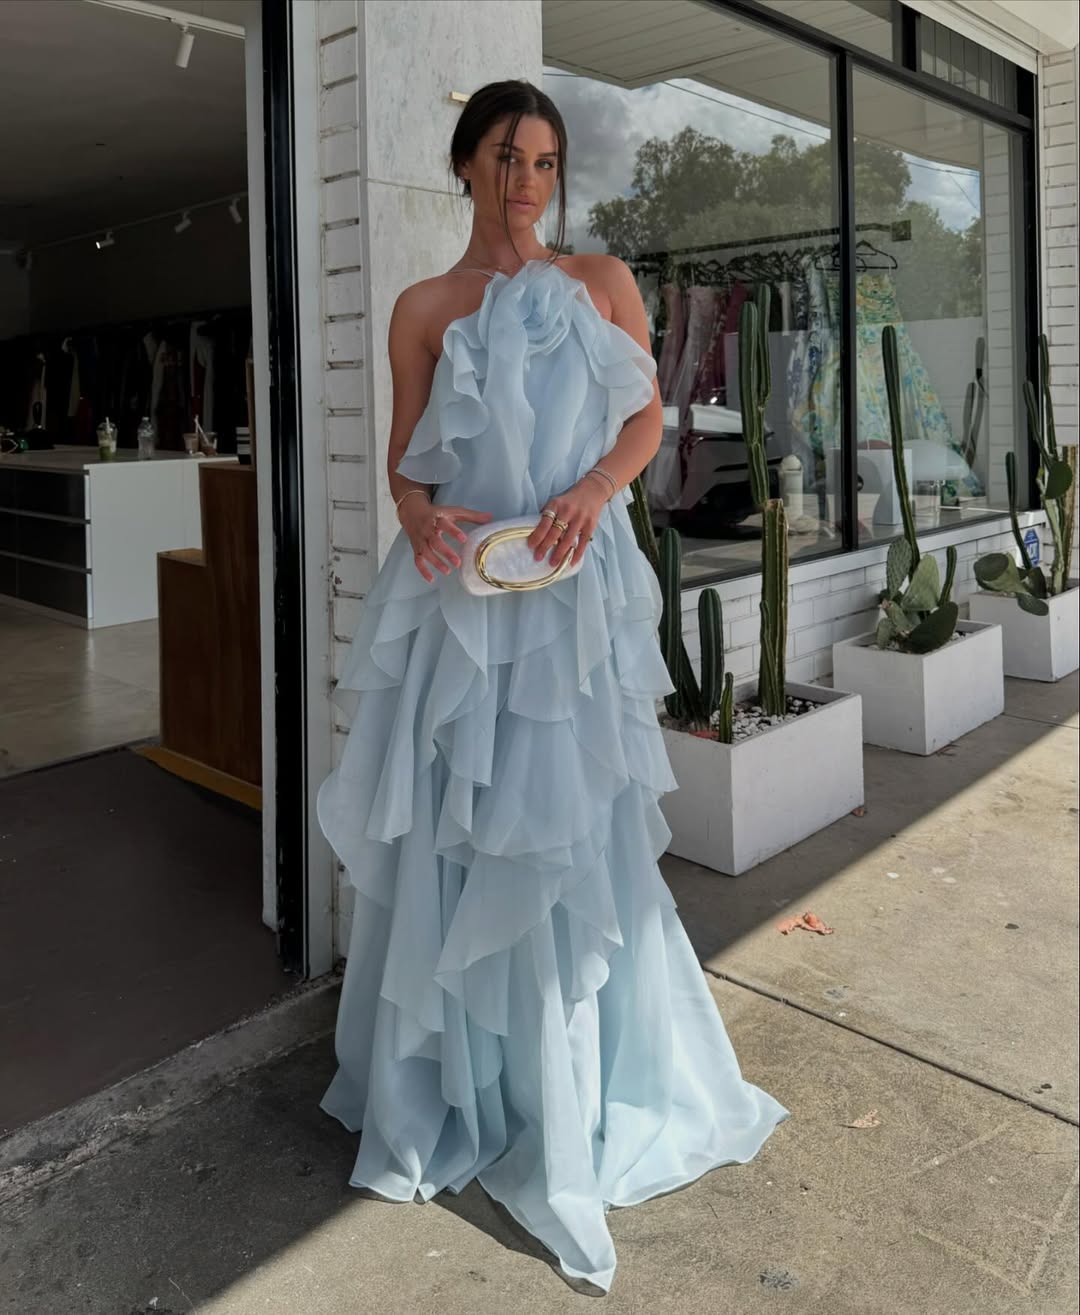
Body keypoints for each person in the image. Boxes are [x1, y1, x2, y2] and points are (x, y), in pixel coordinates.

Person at [317, 78, 789, 1294]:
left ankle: (574, 1084)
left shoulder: (602, 282)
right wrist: (417, 514)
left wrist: (590, 492)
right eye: (503, 157)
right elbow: (406, 461)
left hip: (571, 592)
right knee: (463, 827)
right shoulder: (424, 308)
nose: (526, 181)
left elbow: (646, 422)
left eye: (543, 162)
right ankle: (469, 1080)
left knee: (569, 828)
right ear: (463, 165)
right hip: (463, 600)